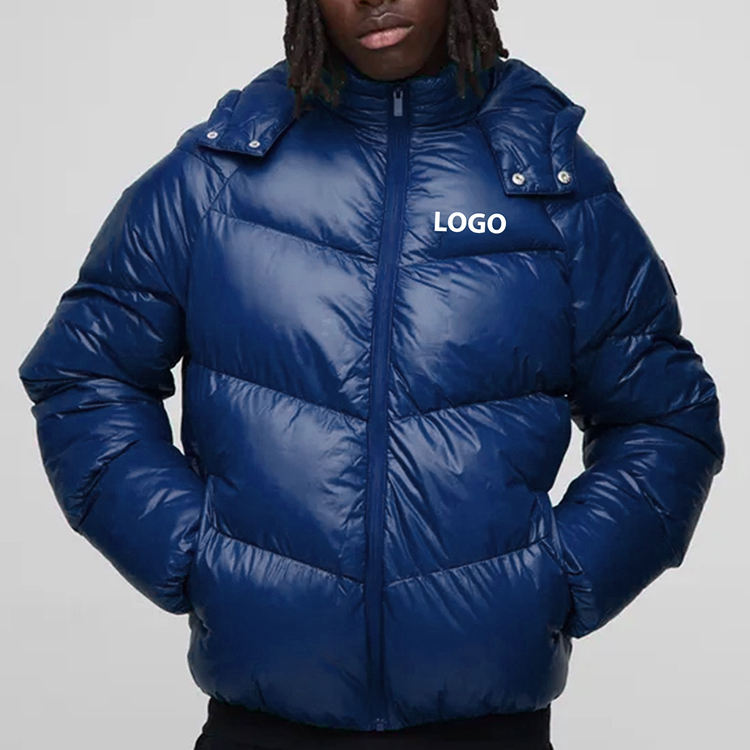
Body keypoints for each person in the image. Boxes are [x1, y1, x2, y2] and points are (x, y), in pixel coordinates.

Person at [17, 0, 725, 748]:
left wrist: (560, 580)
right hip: (262, 723)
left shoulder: (551, 183)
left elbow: (664, 416)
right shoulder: (218, 177)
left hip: (490, 727)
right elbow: (83, 373)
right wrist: (196, 557)